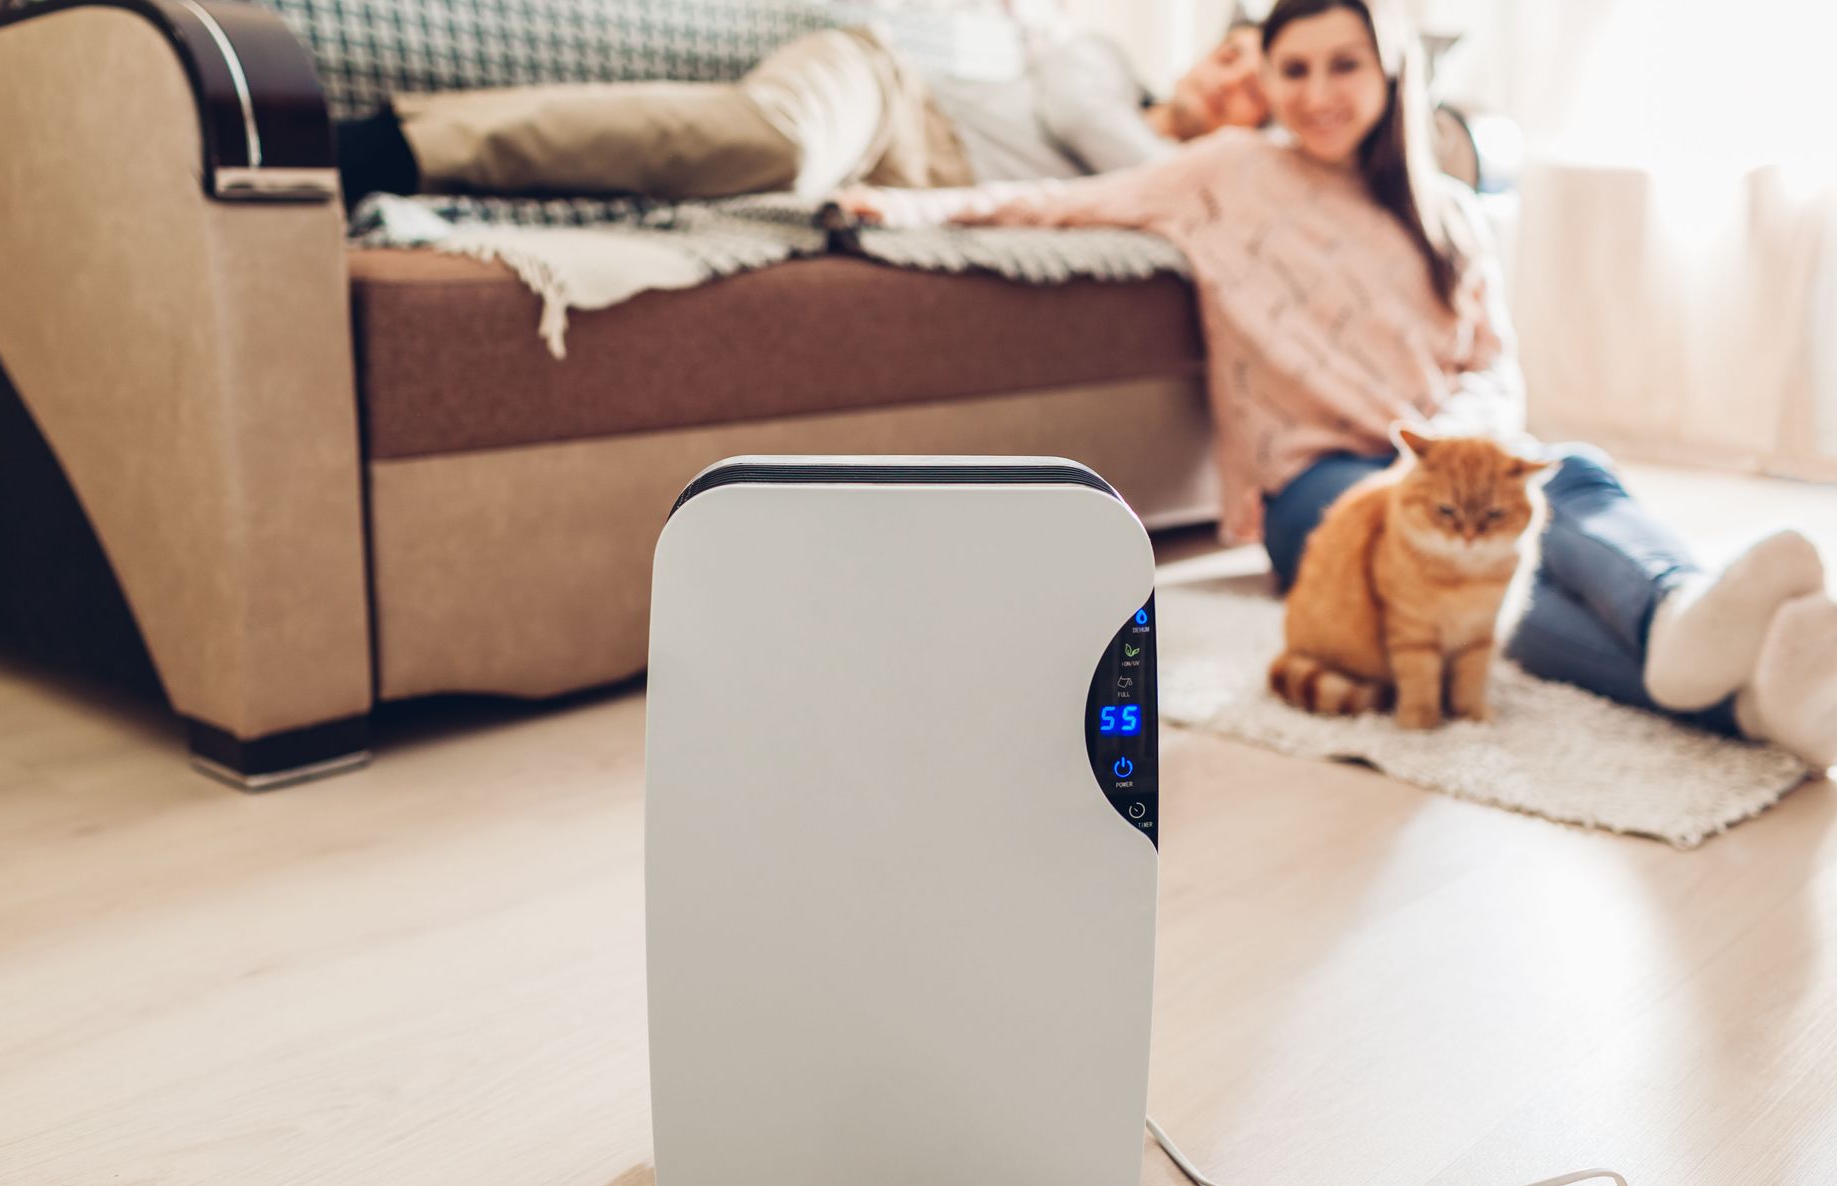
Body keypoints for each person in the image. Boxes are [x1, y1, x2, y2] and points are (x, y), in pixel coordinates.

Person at [844, 0, 1837, 767]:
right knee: (1438, 578)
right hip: (1321, 483)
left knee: (1569, 473)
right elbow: (1067, 203)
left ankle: (1716, 654)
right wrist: (907, 208)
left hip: (1445, 454)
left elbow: (1494, 363)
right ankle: (1693, 639)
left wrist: (1457, 447)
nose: (1318, 91)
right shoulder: (1226, 170)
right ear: (1269, 80)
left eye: (1343, 65)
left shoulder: (1448, 214)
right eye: (1294, 70)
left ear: (1390, 68)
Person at [335, 21, 1268, 207]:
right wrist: (1217, 164)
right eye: (1233, 57)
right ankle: (390, 146)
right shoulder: (1102, 67)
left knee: (775, 169)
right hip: (884, 96)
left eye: (1256, 92)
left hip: (903, 185)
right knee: (779, 147)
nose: (1230, 84)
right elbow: (1087, 119)